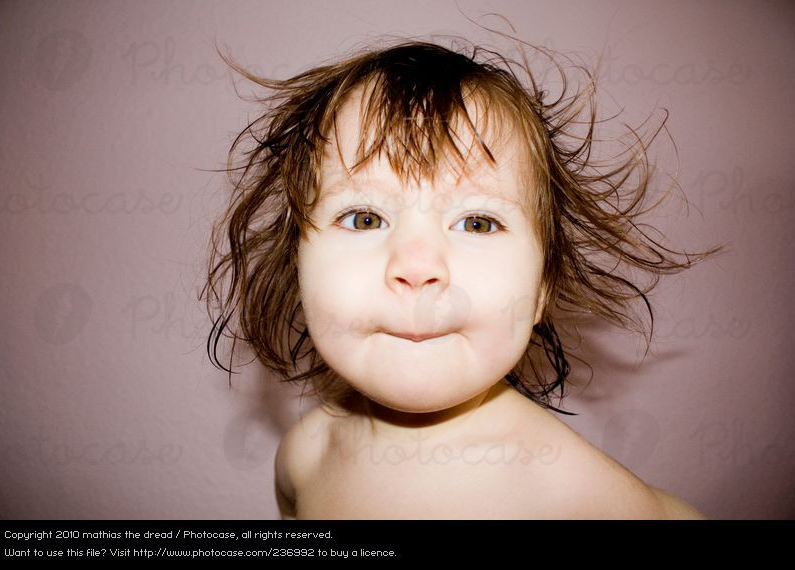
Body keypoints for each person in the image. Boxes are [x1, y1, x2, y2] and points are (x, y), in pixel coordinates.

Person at [201, 37, 723, 519]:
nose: (418, 266)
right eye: (364, 218)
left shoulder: (567, 493)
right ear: (298, 269)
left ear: (542, 289)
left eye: (477, 222)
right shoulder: (304, 456)